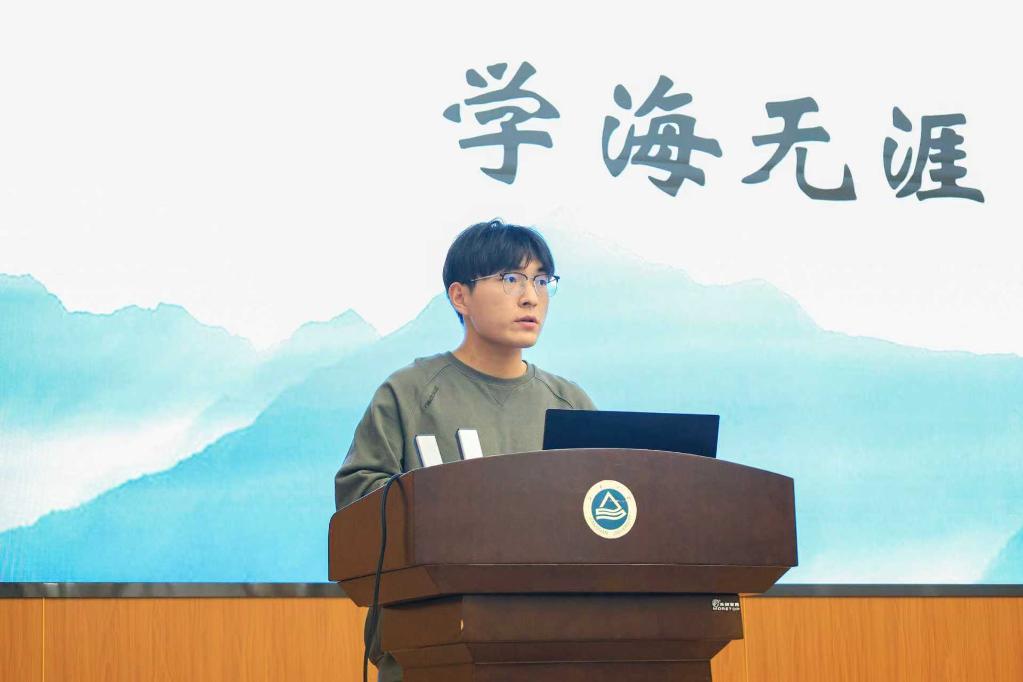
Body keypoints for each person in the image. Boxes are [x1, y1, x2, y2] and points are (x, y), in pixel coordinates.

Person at [333, 218, 596, 682]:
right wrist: (447, 504)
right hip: (430, 648)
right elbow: (359, 500)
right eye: (511, 279)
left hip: (552, 647)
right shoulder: (410, 393)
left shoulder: (570, 402)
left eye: (541, 281)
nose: (531, 297)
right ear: (460, 297)